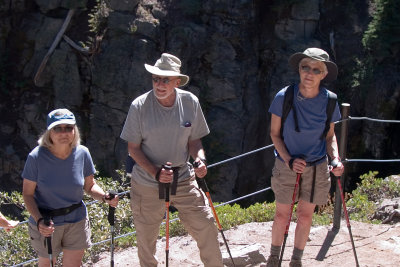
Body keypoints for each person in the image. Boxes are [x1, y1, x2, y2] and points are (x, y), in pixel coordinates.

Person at [120, 53, 223, 267]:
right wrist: (156, 172)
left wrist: (200, 160)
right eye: (156, 78)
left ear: (177, 81)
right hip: (147, 182)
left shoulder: (190, 102)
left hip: (183, 177)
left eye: (166, 79)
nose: (159, 84)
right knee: (146, 238)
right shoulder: (139, 106)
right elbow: (133, 149)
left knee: (206, 225)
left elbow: (194, 141)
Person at [267, 48, 345, 267]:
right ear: (299, 69)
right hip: (286, 165)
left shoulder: (330, 101)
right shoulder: (284, 97)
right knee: (282, 215)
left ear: (324, 74)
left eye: (316, 69)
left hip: (317, 166)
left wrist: (336, 159)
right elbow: (274, 134)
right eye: (305, 67)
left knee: (305, 216)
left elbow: (330, 136)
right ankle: (274, 259)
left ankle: (296, 261)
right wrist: (289, 160)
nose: (309, 73)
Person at [22, 108, 119, 267]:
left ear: (75, 131)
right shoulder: (36, 157)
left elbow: (90, 186)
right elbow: (27, 194)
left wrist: (104, 197)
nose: (64, 133)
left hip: (76, 220)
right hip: (47, 222)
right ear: (49, 132)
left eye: (69, 128)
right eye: (57, 128)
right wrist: (39, 220)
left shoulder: (82, 153)